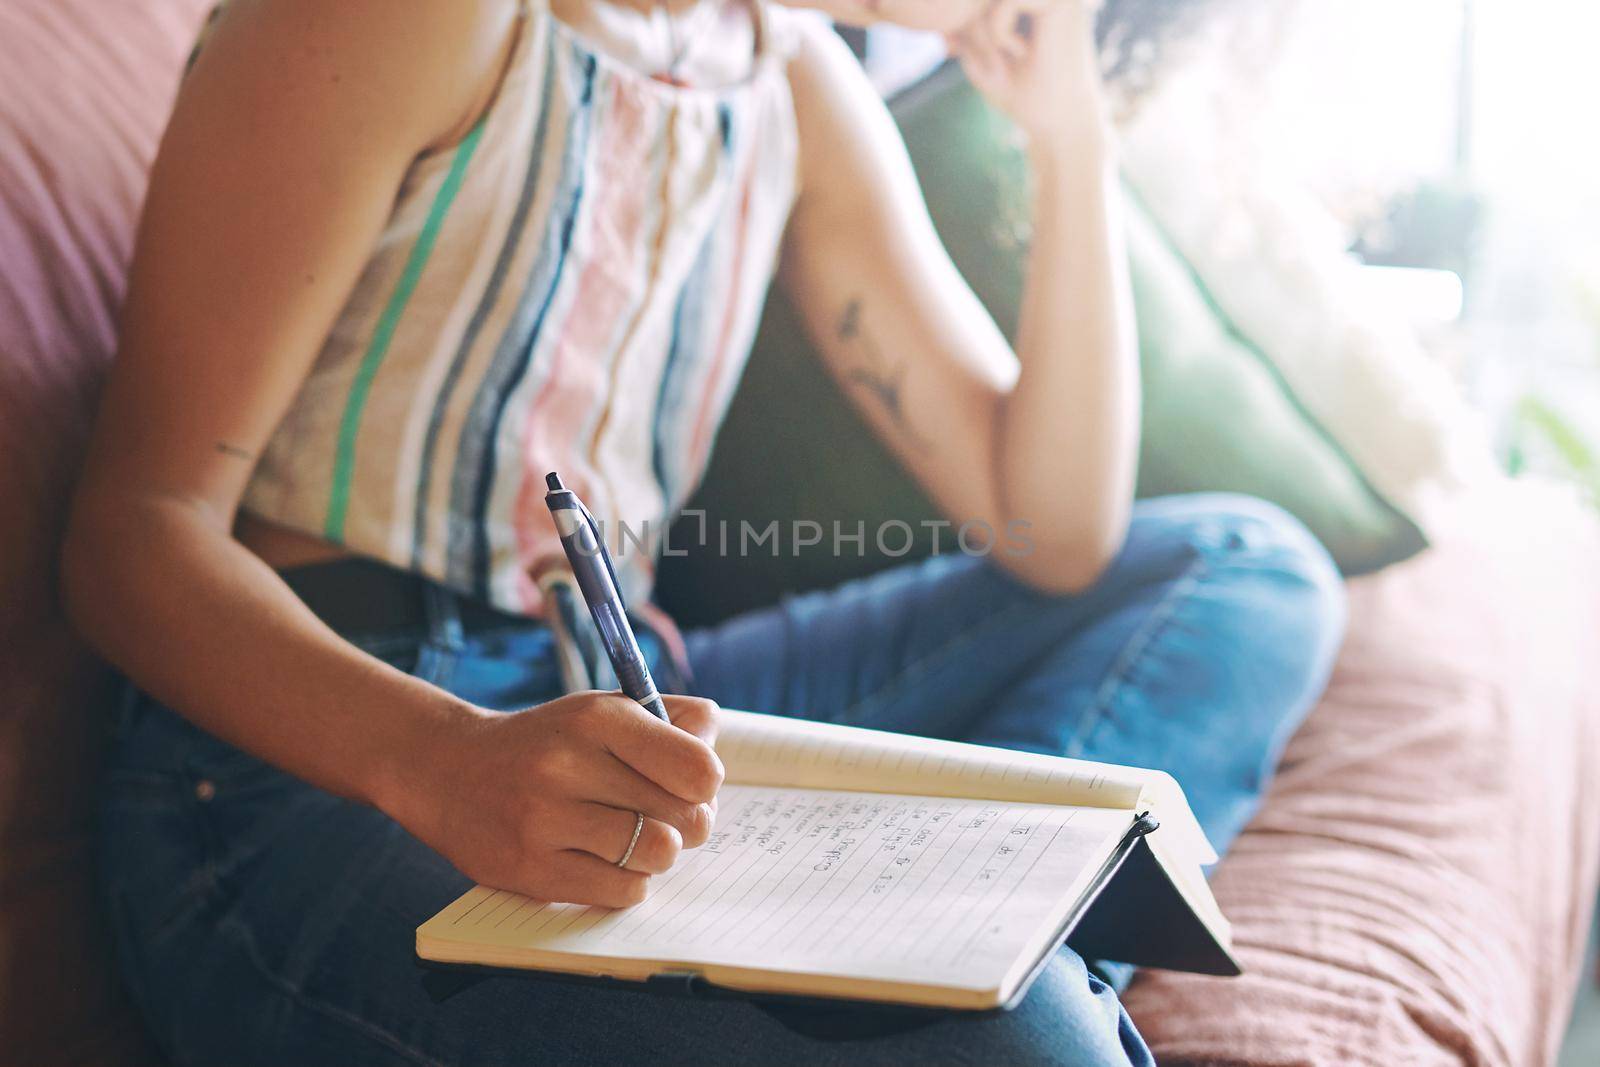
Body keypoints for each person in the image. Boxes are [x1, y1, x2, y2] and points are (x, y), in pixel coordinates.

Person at [64, 0, 1344, 1063]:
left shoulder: (787, 79)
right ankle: (966, 984)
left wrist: (1069, 145)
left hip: (630, 713)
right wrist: (442, 762)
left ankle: (972, 930)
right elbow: (133, 534)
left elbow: (1056, 533)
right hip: (318, 759)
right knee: (1030, 1043)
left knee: (1243, 566)